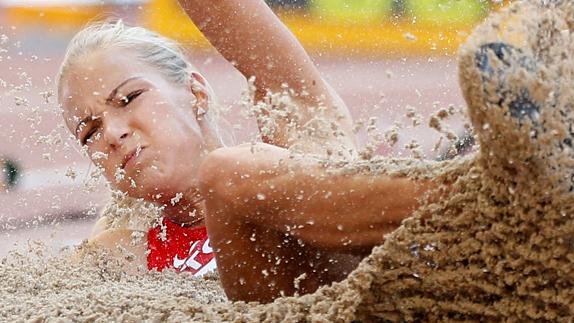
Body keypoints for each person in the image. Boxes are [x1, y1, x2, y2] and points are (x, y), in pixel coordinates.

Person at [58, 0, 432, 302]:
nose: (113, 133)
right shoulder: (117, 253)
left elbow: (286, 82)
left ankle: (464, 195)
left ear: (196, 93)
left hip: (364, 276)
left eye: (129, 98)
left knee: (228, 174)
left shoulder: (291, 152)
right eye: (89, 132)